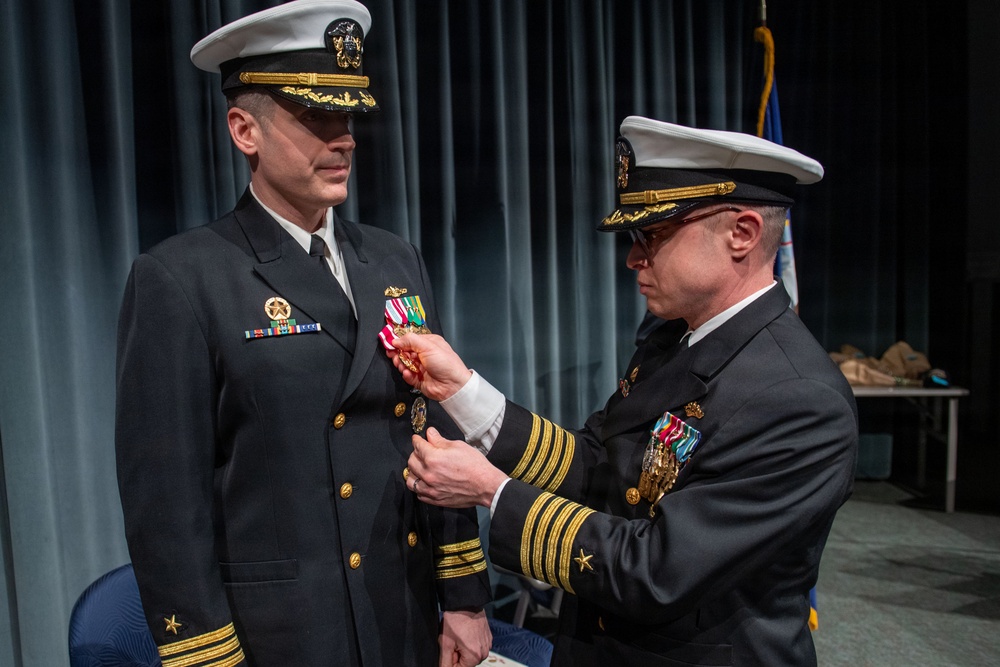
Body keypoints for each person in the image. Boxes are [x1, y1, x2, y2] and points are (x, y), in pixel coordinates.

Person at [392, 117, 859, 666]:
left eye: (653, 234)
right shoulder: (674, 338)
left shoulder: (800, 399)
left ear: (744, 233)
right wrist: (463, 390)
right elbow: (596, 464)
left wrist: (493, 492)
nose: (634, 258)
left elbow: (659, 571)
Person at [115, 2, 491, 666]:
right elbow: (167, 506)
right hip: (285, 638)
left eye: (346, 116)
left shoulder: (394, 260)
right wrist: (207, 656)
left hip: (400, 615)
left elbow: (436, 430)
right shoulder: (183, 278)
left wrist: (462, 594)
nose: (342, 138)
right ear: (243, 130)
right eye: (315, 117)